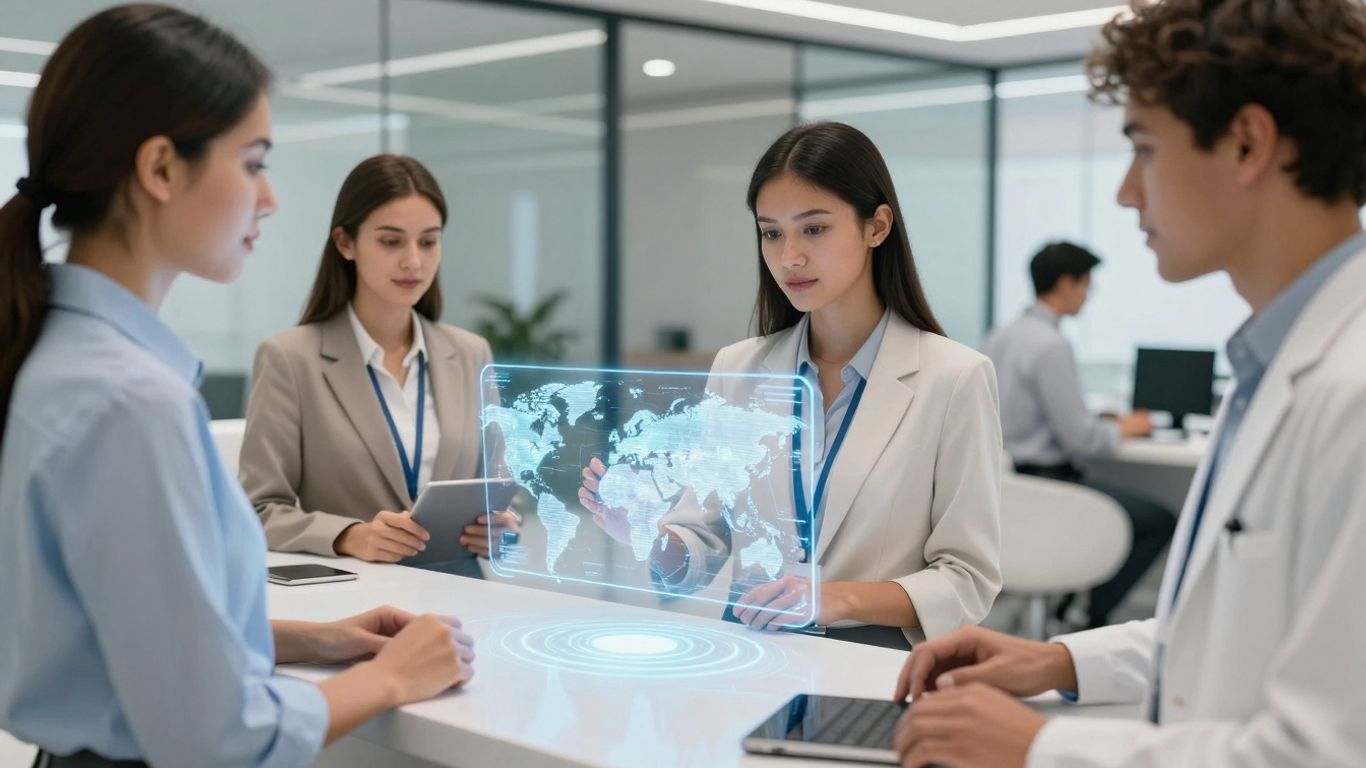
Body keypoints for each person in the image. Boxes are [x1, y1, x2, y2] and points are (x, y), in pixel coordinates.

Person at [891, 0, 1366, 765]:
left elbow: (1327, 751)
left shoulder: (1352, 391)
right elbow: (1215, 635)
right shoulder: (1271, 367)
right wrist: (1059, 662)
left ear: (1247, 143)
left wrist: (1042, 748)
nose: (1125, 192)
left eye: (1143, 148)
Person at [0, 7, 474, 767]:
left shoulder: (58, 358)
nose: (270, 199)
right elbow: (218, 736)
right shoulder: (128, 400)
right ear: (159, 168)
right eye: (253, 162)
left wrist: (316, 637)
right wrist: (392, 678)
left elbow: (128, 631)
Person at [582, 122, 1002, 650]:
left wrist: (833, 597)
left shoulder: (955, 378)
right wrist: (646, 532)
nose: (789, 258)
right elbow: (704, 541)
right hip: (750, 651)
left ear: (877, 227)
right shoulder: (738, 369)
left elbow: (967, 578)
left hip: (875, 658)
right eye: (772, 232)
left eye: (815, 229)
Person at [239, 154, 518, 572]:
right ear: (345, 243)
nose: (414, 262)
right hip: (354, 605)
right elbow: (256, 511)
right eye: (391, 241)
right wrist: (350, 535)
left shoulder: (471, 353)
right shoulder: (290, 359)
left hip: (459, 602)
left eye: (428, 241)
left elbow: (505, 490)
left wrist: (502, 528)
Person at [985, 241, 1175, 628]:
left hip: (1006, 487)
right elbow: (1082, 440)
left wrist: (1096, 418)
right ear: (1067, 284)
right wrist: (1126, 427)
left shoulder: (1001, 335)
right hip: (1050, 486)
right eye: (1088, 285)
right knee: (1159, 521)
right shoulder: (1051, 344)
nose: (1089, 295)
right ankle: (1087, 617)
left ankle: (1068, 606)